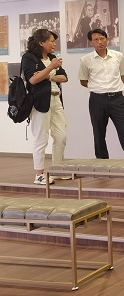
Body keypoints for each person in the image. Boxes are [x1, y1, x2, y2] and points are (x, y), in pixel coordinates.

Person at [78, 28, 124, 160]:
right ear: (91, 43)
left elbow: (122, 76)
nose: (100, 42)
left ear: (107, 39)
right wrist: (99, 88)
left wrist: (111, 87)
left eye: (102, 38)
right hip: (97, 100)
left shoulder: (118, 56)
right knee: (98, 133)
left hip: (117, 99)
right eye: (96, 40)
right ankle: (102, 162)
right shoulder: (86, 60)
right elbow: (83, 80)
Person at [21, 29, 68, 185]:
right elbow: (32, 80)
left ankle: (58, 170)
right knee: (41, 138)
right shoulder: (29, 57)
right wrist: (51, 68)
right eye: (51, 41)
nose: (54, 44)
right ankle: (39, 174)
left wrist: (46, 75)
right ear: (41, 43)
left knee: (61, 136)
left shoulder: (53, 58)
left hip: (56, 100)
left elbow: (64, 78)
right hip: (40, 102)